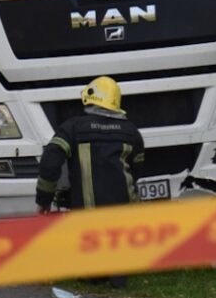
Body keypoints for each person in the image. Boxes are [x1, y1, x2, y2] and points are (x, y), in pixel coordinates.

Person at [34, 75, 144, 287]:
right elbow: (137, 169)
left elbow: (50, 161)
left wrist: (44, 200)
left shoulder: (73, 128)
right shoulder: (131, 132)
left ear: (89, 99)